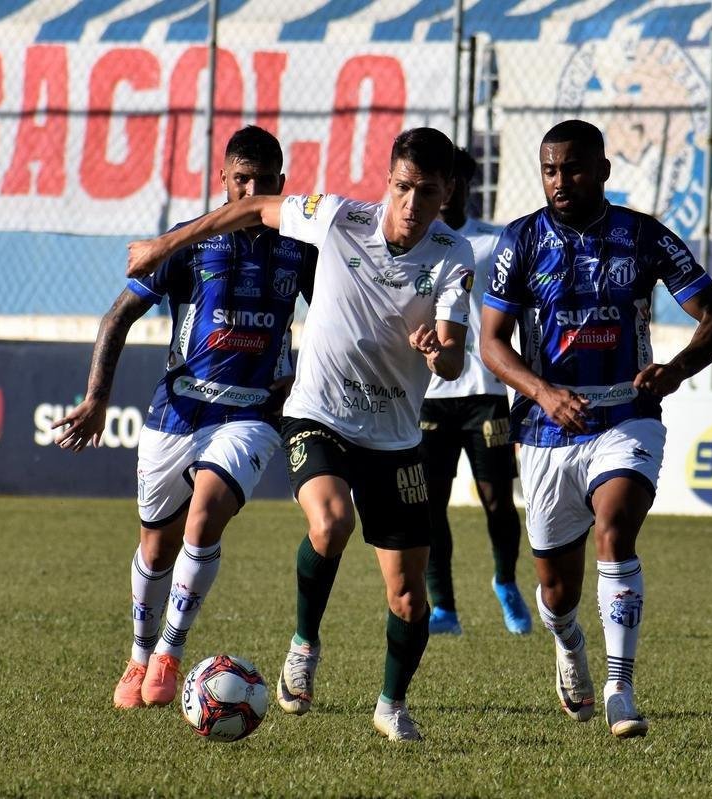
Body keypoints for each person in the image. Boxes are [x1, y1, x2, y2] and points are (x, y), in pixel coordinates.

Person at [126, 127, 472, 742]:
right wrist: (163, 245)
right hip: (319, 415)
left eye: (427, 192)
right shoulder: (337, 218)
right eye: (403, 187)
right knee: (331, 522)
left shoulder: (453, 254)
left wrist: (436, 353)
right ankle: (304, 645)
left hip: (394, 436)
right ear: (388, 180)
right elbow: (252, 208)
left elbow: (452, 355)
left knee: (410, 599)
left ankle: (391, 705)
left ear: (447, 193)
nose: (412, 203)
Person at [479, 119, 712, 738]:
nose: (560, 180)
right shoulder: (519, 241)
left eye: (572, 168)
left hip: (627, 414)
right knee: (556, 591)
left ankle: (622, 689)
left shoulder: (642, 236)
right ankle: (568, 646)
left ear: (602, 171)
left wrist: (672, 371)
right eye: (549, 170)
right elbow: (490, 343)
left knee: (615, 529)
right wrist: (542, 392)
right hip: (545, 427)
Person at [53, 125, 315, 710]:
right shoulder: (189, 244)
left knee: (207, 512)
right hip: (177, 410)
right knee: (155, 546)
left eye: (263, 181)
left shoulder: (299, 247)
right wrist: (97, 398)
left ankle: (170, 652)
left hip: (251, 414)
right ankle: (140, 654)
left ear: (282, 184)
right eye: (240, 178)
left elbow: (333, 323)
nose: (250, 190)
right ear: (222, 178)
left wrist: (297, 381)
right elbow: (118, 316)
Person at [421, 147, 531, 636]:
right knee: (429, 504)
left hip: (485, 392)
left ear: (466, 185)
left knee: (497, 500)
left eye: (454, 183)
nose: (446, 193)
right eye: (437, 183)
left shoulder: (493, 241)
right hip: (426, 393)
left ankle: (505, 581)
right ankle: (443, 606)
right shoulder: (417, 241)